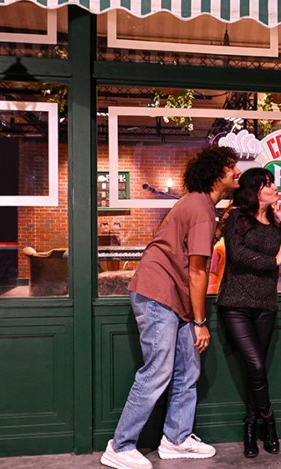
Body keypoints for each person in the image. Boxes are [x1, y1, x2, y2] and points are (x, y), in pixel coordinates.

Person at [101, 145, 240, 469]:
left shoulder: (200, 205)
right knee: (158, 370)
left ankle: (176, 437)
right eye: (232, 166)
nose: (238, 171)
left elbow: (188, 252)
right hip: (159, 296)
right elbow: (197, 270)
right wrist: (200, 321)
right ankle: (120, 446)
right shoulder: (201, 206)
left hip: (172, 299)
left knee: (188, 368)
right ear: (217, 171)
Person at [217, 168, 281, 458]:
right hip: (235, 303)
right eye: (268, 184)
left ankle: (251, 426)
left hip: (265, 305)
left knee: (256, 368)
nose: (274, 187)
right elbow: (237, 255)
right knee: (257, 366)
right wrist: (271, 262)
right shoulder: (237, 217)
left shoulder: (275, 224)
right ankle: (269, 422)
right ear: (254, 189)